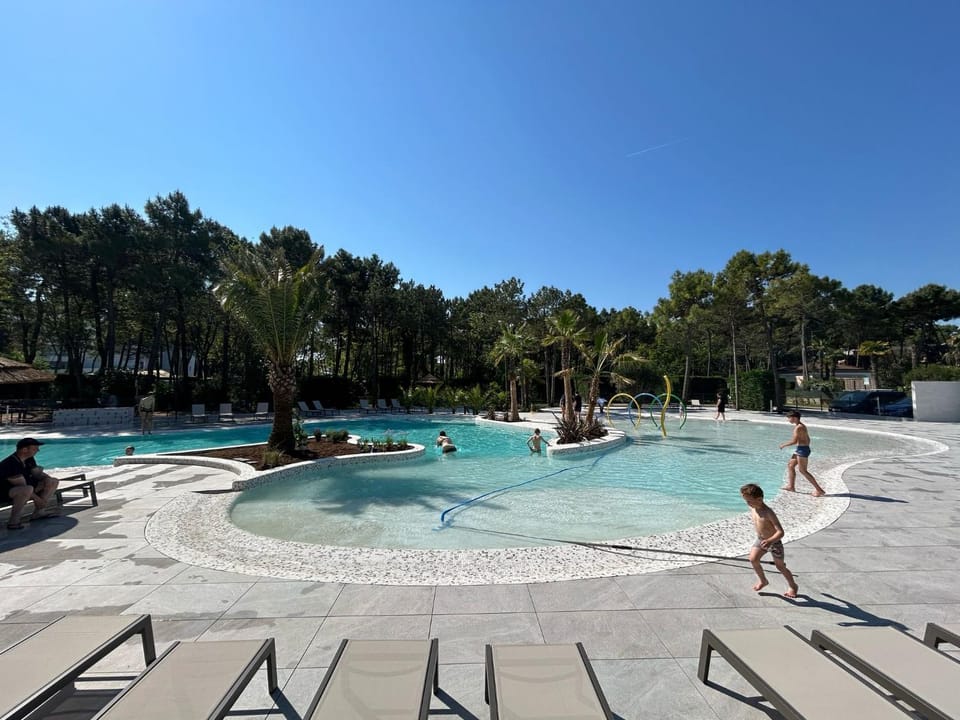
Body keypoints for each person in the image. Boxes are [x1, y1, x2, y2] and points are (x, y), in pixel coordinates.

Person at [740, 483, 798, 598]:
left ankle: (793, 585)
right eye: (746, 501)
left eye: (749, 501)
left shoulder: (768, 512)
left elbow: (781, 532)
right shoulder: (753, 507)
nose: (748, 504)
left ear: (760, 499)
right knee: (753, 559)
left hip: (774, 542)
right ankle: (763, 581)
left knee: (780, 566)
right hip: (761, 540)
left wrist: (771, 540)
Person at [0, 438, 61, 529]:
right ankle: (14, 521)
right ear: (24, 449)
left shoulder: (29, 459)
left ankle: (39, 513)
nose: (37, 450)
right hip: (5, 492)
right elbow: (22, 486)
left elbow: (37, 474)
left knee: (52, 481)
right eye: (34, 448)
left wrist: (47, 478)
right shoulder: (11, 463)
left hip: (25, 488)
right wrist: (39, 501)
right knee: (27, 490)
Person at [779, 410, 825, 497]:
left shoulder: (799, 427)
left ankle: (819, 490)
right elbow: (808, 439)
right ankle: (791, 486)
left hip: (802, 450)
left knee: (803, 470)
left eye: (789, 418)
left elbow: (794, 441)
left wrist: (783, 445)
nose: (788, 420)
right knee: (790, 465)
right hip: (801, 449)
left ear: (795, 418)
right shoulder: (801, 426)